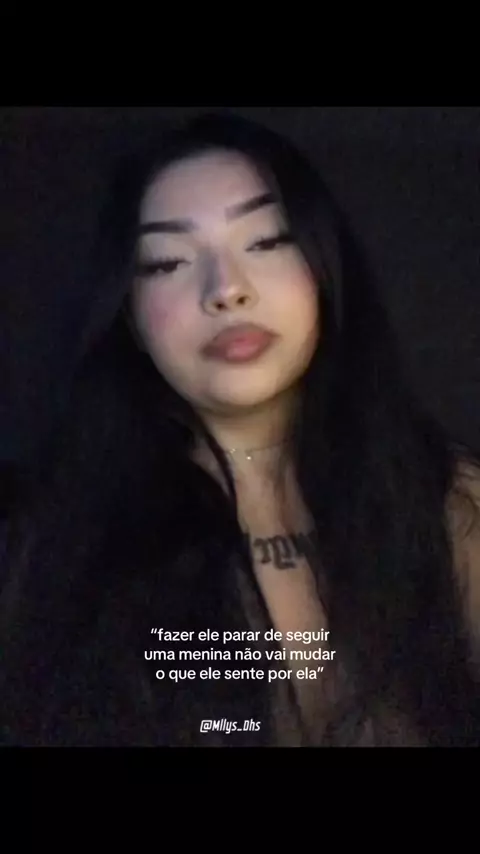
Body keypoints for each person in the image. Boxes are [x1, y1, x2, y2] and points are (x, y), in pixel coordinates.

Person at [2, 111, 480, 747]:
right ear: (129, 317)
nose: (226, 290)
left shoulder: (450, 501)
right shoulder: (51, 540)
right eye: (167, 262)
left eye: (268, 240)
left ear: (324, 267)